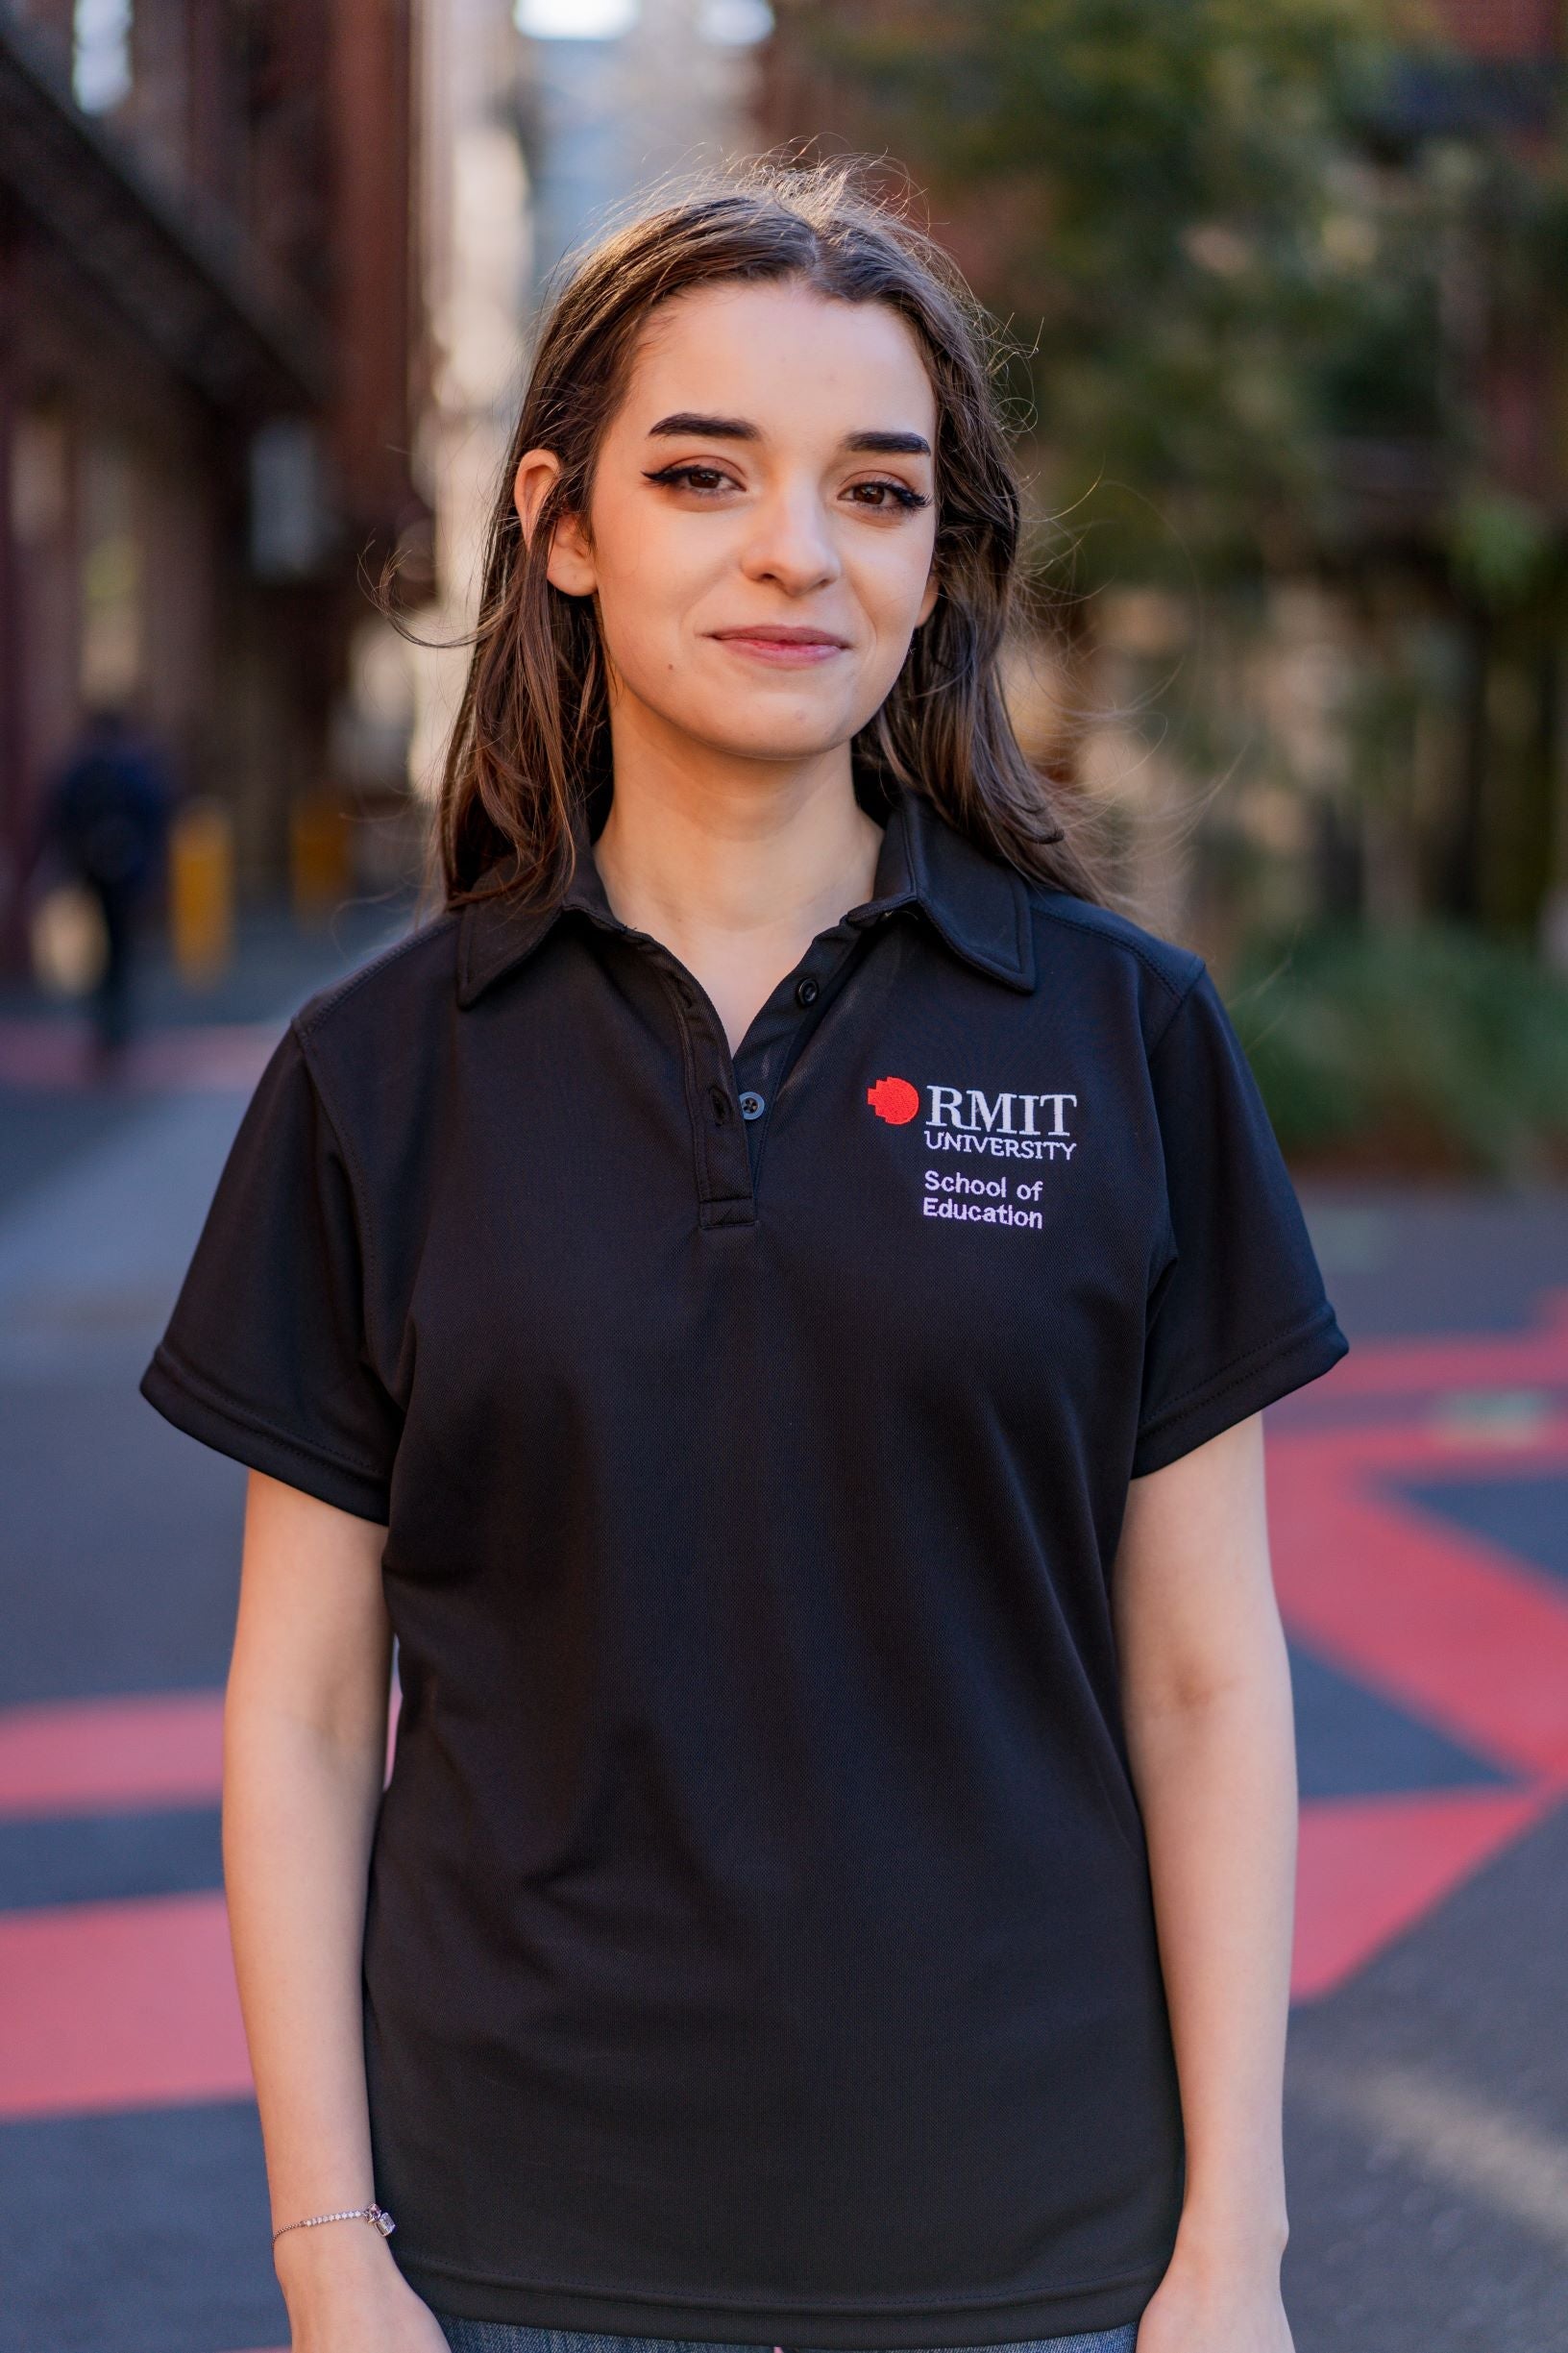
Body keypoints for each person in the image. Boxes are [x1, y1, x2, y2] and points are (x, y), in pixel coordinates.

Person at [137, 159, 1350, 2353]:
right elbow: (304, 1709)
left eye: (875, 492)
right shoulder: (378, 1076)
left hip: (1044, 2241)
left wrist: (1232, 2251)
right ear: (565, 522)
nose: (799, 547)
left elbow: (1202, 1677)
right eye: (707, 472)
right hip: (505, 2250)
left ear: (933, 563)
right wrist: (335, 2254)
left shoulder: (1126, 1037)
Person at [37, 702, 172, 1062]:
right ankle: (114, 1024)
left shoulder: (82, 770)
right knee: (117, 950)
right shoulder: (131, 769)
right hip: (120, 872)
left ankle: (108, 1024)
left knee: (105, 951)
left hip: (93, 870)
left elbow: (57, 816)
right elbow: (155, 813)